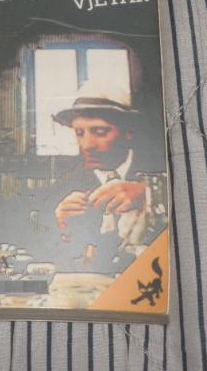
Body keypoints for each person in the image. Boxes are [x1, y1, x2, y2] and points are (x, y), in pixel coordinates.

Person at [52, 81, 165, 256]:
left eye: (100, 132)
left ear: (128, 132)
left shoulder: (161, 166)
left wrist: (149, 194)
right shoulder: (63, 187)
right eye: (79, 133)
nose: (87, 145)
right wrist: (63, 229)